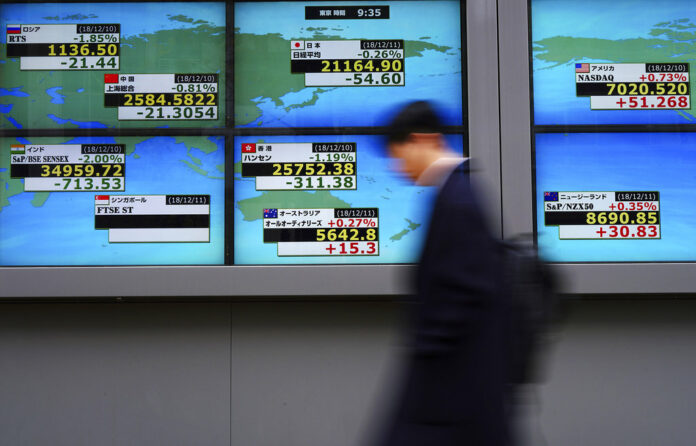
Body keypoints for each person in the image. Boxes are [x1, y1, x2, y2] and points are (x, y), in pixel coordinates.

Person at [375, 101, 513, 446]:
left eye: (399, 152)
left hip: (451, 392)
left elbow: (464, 293)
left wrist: (427, 350)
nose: (397, 166)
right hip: (456, 390)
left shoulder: (457, 200)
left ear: (423, 139)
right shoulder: (455, 193)